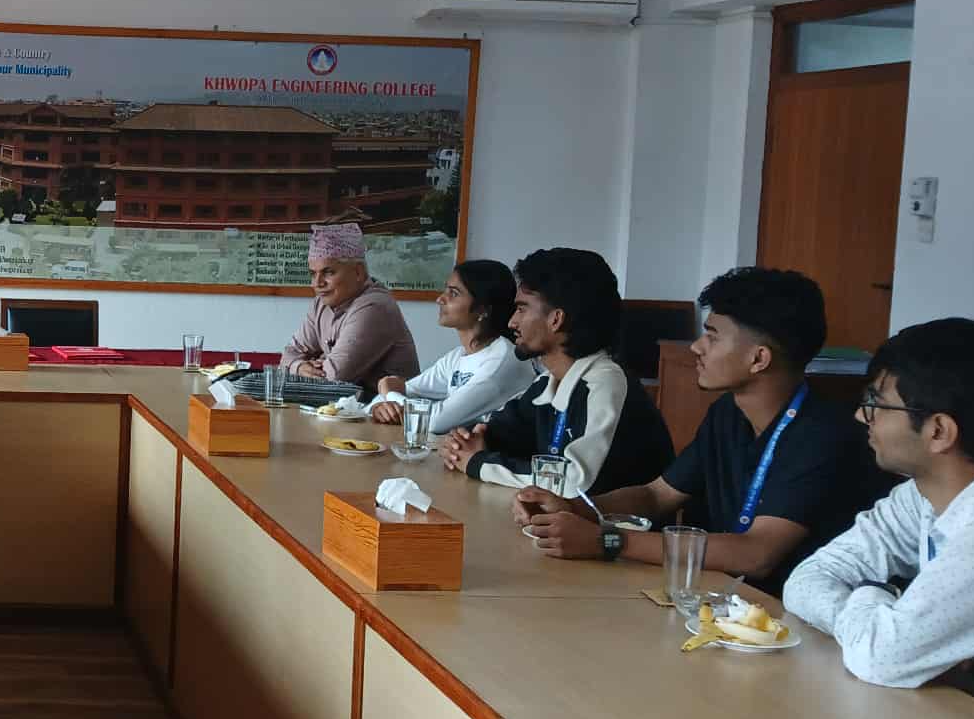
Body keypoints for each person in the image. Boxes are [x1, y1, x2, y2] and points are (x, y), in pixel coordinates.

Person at [513, 267, 878, 583]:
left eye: (712, 336)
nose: (696, 347)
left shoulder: (822, 435)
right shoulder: (728, 414)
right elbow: (657, 496)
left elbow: (756, 554)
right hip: (720, 600)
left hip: (787, 621)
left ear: (758, 358)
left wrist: (607, 540)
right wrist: (575, 507)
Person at [784, 318, 974, 688]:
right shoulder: (920, 496)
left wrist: (877, 596)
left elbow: (881, 658)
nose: (861, 416)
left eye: (876, 403)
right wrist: (879, 621)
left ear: (938, 431)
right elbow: (806, 579)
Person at [442, 246, 672, 494]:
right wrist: (465, 443)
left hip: (616, 520)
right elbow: (496, 433)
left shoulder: (606, 382)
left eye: (521, 309)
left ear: (556, 319)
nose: (511, 322)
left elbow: (573, 482)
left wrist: (479, 463)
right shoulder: (548, 382)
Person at [368, 260, 536, 434]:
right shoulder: (458, 356)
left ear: (482, 309)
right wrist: (379, 407)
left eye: (454, 293)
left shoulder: (501, 363)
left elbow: (434, 422)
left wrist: (390, 394)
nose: (440, 299)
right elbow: (403, 392)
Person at [280, 223, 419, 394]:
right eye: (313, 274)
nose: (317, 283)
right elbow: (287, 356)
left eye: (328, 272)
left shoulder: (375, 306)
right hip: (348, 407)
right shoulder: (321, 304)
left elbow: (333, 378)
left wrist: (314, 363)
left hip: (388, 409)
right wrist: (299, 366)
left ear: (358, 272)